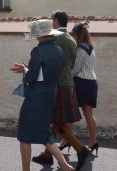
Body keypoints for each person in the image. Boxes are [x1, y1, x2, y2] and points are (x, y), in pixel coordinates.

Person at [10, 19, 75, 171]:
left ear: (40, 35)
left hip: (35, 97)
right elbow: (45, 73)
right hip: (50, 95)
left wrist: (25, 71)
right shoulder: (58, 50)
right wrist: (29, 68)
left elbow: (32, 77)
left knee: (24, 135)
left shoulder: (38, 50)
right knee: (44, 133)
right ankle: (65, 165)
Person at [32, 11, 91, 170]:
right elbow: (71, 64)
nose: (51, 22)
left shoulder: (54, 38)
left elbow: (48, 61)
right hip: (68, 83)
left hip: (56, 84)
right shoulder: (72, 39)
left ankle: (80, 149)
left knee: (54, 123)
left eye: (52, 20)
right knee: (56, 123)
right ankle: (47, 156)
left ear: (56, 21)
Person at [71, 21, 99, 155]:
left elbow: (76, 69)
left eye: (73, 35)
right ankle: (93, 142)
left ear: (78, 35)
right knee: (89, 115)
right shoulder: (91, 48)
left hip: (82, 82)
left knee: (71, 114)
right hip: (92, 82)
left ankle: (67, 142)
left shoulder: (81, 48)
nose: (73, 37)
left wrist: (65, 77)